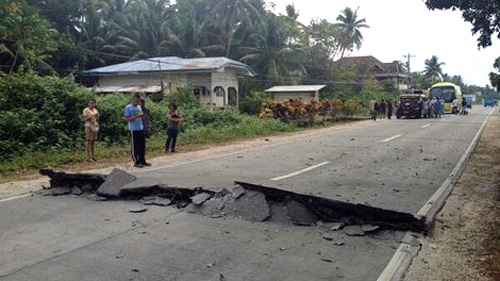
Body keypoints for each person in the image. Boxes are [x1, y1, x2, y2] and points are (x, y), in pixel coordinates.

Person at [123, 94, 151, 168]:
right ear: (133, 100)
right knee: (135, 146)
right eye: (136, 101)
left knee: (142, 145)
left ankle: (142, 160)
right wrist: (136, 117)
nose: (137, 102)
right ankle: (136, 161)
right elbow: (127, 118)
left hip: (140, 128)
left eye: (138, 101)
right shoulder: (128, 107)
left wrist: (143, 117)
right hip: (133, 129)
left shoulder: (139, 107)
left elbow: (140, 115)